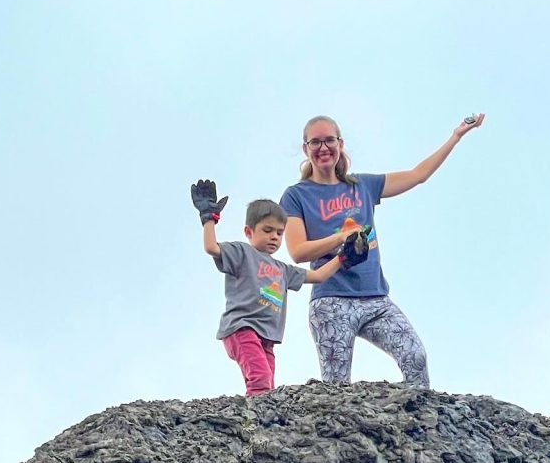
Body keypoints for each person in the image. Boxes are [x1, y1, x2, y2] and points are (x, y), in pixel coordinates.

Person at [279, 113, 485, 389]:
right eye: (315, 142)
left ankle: (418, 425)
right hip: (331, 302)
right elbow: (298, 251)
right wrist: (341, 238)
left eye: (329, 140)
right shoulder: (296, 195)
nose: (323, 148)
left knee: (415, 357)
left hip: (375, 298)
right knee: (336, 387)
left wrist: (456, 136)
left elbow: (417, 175)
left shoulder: (363, 185)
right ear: (306, 149)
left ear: (340, 143)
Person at [191, 180, 369, 397]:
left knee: (268, 387)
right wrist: (209, 218)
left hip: (267, 337)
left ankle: (261, 418)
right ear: (249, 231)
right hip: (242, 328)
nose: (274, 237)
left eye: (279, 232)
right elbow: (211, 247)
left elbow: (318, 275)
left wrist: (344, 257)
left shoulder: (282, 269)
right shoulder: (242, 252)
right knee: (260, 380)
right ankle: (254, 421)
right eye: (267, 230)